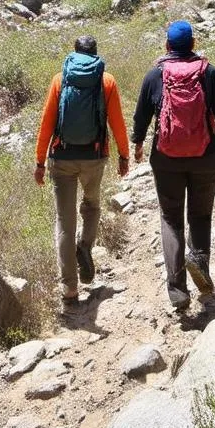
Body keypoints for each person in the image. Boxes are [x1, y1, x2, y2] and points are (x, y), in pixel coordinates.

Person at [133, 20, 215, 310]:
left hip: (166, 159)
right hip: (205, 157)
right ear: (194, 43)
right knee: (200, 216)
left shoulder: (155, 75)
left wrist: (137, 144)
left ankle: (177, 290)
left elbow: (141, 116)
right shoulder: (210, 73)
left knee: (171, 218)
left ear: (167, 46)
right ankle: (199, 261)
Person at [34, 35, 130, 305]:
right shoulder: (106, 81)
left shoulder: (59, 80)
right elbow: (117, 123)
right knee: (91, 206)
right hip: (94, 156)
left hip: (62, 158)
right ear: (96, 54)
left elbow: (46, 124)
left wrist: (40, 162)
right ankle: (85, 247)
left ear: (74, 53)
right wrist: (124, 155)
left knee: (64, 221)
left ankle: (69, 288)